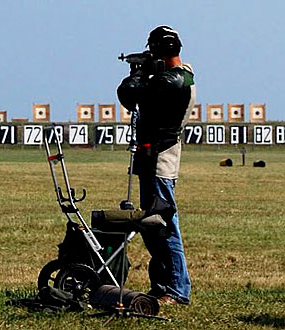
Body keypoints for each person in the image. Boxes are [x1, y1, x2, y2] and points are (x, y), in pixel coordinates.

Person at [117, 25, 194, 306]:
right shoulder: (170, 78)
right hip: (152, 159)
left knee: (165, 226)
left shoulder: (175, 80)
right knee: (153, 228)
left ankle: (176, 290)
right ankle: (163, 285)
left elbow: (133, 92)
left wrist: (138, 72)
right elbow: (131, 96)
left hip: (161, 161)